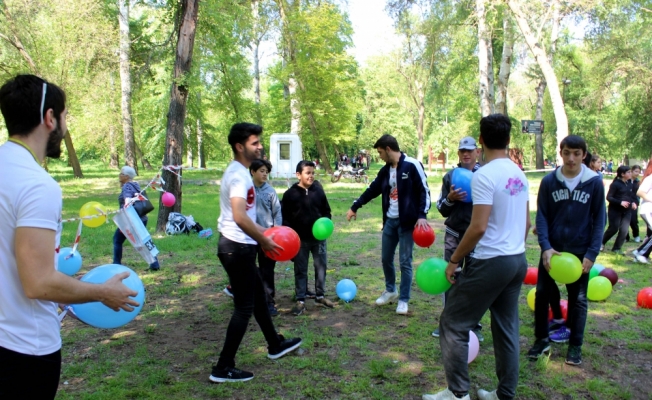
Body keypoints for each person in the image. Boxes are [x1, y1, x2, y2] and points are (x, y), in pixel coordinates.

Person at [0, 74, 138, 399]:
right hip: (25, 350)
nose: (64, 125)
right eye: (64, 117)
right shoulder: (37, 185)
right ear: (49, 118)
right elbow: (38, 283)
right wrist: (102, 292)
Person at [423, 114, 530, 400]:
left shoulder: (483, 176)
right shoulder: (519, 173)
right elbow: (527, 223)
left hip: (491, 262)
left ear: (481, 140)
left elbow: (478, 226)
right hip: (516, 259)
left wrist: (454, 260)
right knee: (507, 329)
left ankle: (458, 394)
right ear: (508, 140)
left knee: (453, 323)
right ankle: (504, 394)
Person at [211, 122, 301, 383]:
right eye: (254, 143)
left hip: (239, 246)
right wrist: (265, 240)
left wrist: (263, 233)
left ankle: (275, 344)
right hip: (236, 249)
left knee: (259, 296)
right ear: (240, 147)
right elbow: (239, 217)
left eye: (260, 142)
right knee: (244, 307)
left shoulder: (238, 171)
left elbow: (245, 215)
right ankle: (223, 367)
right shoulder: (239, 176)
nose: (260, 146)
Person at [527, 135, 606, 367]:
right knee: (542, 294)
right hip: (553, 252)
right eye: (567, 152)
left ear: (584, 154)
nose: (571, 158)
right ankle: (541, 340)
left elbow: (599, 219)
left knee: (578, 299)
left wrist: (592, 254)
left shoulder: (593, 182)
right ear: (560, 153)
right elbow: (541, 216)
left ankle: (575, 345)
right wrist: (546, 247)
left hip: (580, 252)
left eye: (576, 153)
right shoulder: (550, 181)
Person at [346, 134, 431, 315]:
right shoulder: (385, 171)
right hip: (390, 222)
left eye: (380, 152)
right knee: (386, 258)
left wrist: (422, 215)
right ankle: (391, 290)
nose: (380, 156)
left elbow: (424, 190)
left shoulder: (412, 165)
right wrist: (355, 206)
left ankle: (404, 299)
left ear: (388, 149)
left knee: (405, 262)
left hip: (408, 223)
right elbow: (372, 190)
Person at [431, 137, 483, 340]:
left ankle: (474, 325)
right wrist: (450, 199)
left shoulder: (484, 175)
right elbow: (442, 209)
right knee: (451, 276)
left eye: (469, 151)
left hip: (476, 236)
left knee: (473, 279)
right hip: (453, 235)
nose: (466, 154)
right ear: (458, 153)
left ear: (477, 152)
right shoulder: (450, 176)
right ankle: (449, 322)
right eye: (462, 151)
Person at [282, 161, 335, 315]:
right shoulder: (290, 194)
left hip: (319, 239)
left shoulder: (318, 192)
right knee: (300, 269)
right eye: (307, 173)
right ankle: (300, 299)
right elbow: (285, 219)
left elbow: (327, 211)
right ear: (298, 175)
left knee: (321, 267)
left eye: (313, 173)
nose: (311, 176)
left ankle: (320, 295)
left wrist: (325, 223)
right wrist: (291, 237)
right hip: (299, 241)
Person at [250, 159, 282, 316]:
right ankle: (249, 300)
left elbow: (277, 214)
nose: (264, 174)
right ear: (253, 172)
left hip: (268, 237)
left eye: (266, 172)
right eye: (261, 171)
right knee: (248, 269)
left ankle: (269, 302)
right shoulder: (246, 190)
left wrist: (275, 234)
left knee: (267, 270)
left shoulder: (270, 191)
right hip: (248, 236)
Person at [113, 166, 160, 271]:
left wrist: (123, 215)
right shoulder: (135, 185)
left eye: (121, 173)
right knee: (144, 240)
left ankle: (116, 264)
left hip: (130, 219)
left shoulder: (127, 187)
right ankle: (155, 264)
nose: (119, 175)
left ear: (126, 176)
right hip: (141, 218)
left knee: (117, 240)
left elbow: (128, 202)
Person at [601, 165, 636, 254]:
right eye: (628, 172)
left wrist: (633, 202)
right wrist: (620, 202)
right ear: (622, 174)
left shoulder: (629, 184)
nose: (630, 173)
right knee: (613, 228)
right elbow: (609, 197)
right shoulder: (615, 184)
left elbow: (630, 196)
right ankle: (601, 242)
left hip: (627, 211)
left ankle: (617, 248)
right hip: (615, 210)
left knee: (624, 230)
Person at [633, 162, 652, 263]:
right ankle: (639, 253)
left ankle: (641, 255)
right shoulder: (650, 178)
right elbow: (640, 192)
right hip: (648, 210)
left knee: (650, 235)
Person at [626, 165, 642, 243]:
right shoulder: (627, 180)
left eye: (639, 172)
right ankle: (626, 237)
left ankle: (636, 235)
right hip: (626, 202)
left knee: (634, 220)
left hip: (634, 203)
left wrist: (636, 203)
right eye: (636, 171)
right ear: (631, 171)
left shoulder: (638, 182)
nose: (637, 173)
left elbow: (638, 194)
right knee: (625, 221)